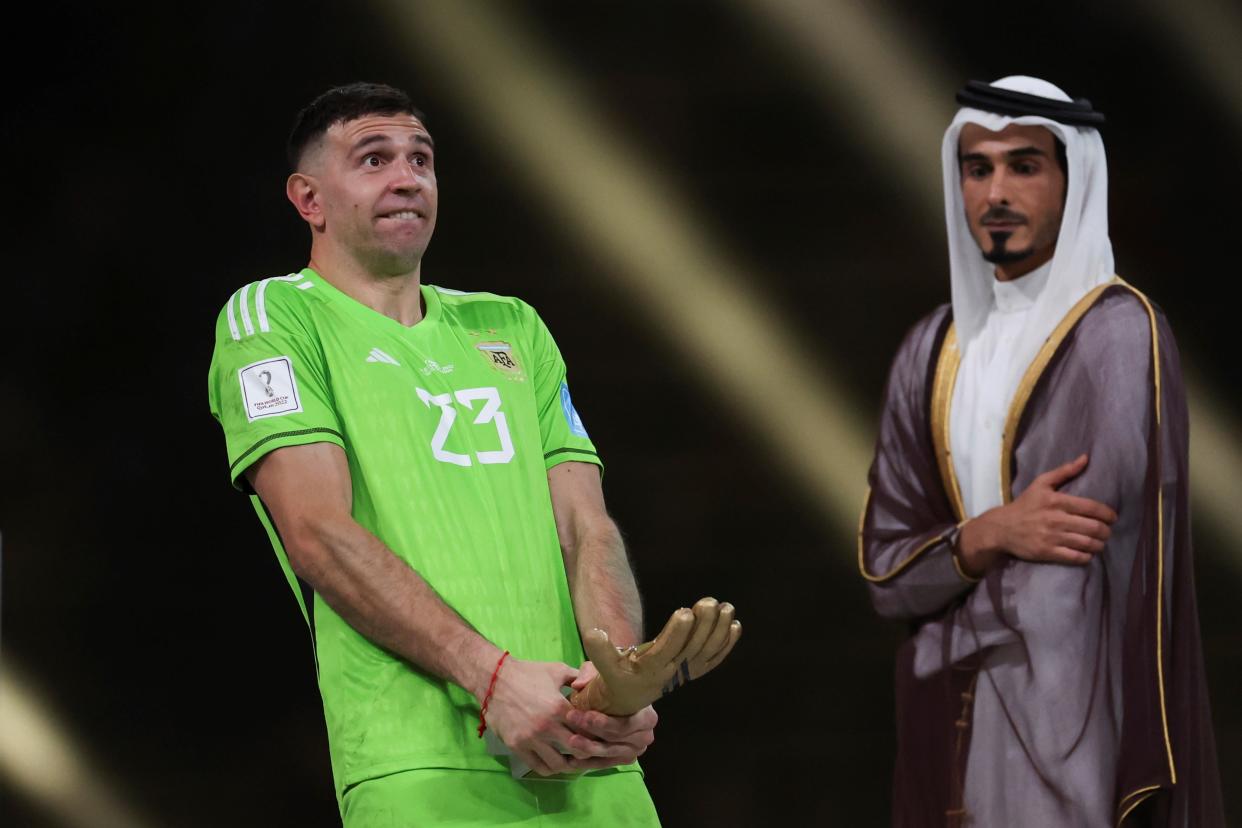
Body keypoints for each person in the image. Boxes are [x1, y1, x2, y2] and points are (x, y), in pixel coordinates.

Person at [207, 82, 663, 826]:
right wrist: (493, 681)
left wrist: (618, 681)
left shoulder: (512, 327)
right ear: (308, 199)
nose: (408, 176)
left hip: (589, 761)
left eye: (421, 158)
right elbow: (317, 529)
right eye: (374, 158)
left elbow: (588, 527)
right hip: (417, 763)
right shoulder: (273, 318)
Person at [858, 76, 1224, 827]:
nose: (996, 191)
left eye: (1025, 166)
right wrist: (990, 534)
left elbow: (1072, 564)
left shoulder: (1118, 336)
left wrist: (948, 604)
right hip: (946, 722)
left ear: (1073, 179)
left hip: (1075, 717)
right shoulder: (931, 350)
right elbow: (884, 570)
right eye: (976, 167)